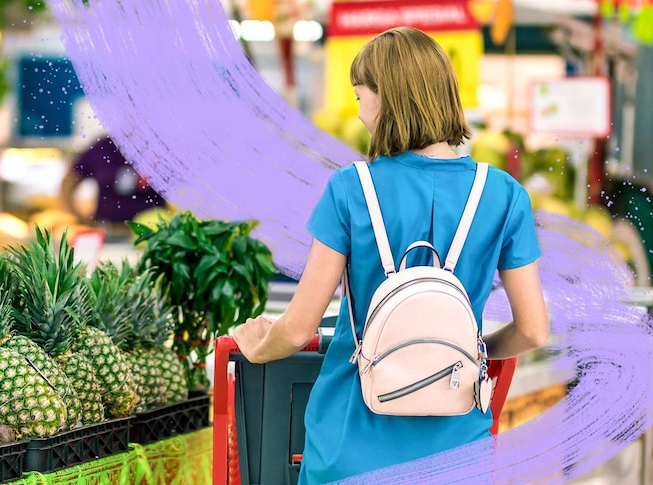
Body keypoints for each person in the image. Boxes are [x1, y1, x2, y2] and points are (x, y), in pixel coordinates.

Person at [231, 27, 549, 483]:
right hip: (456, 451)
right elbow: (534, 330)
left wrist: (258, 347)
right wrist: (474, 353)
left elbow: (299, 326)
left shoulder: (350, 189)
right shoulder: (503, 195)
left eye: (360, 98)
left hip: (349, 445)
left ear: (388, 100)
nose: (359, 115)